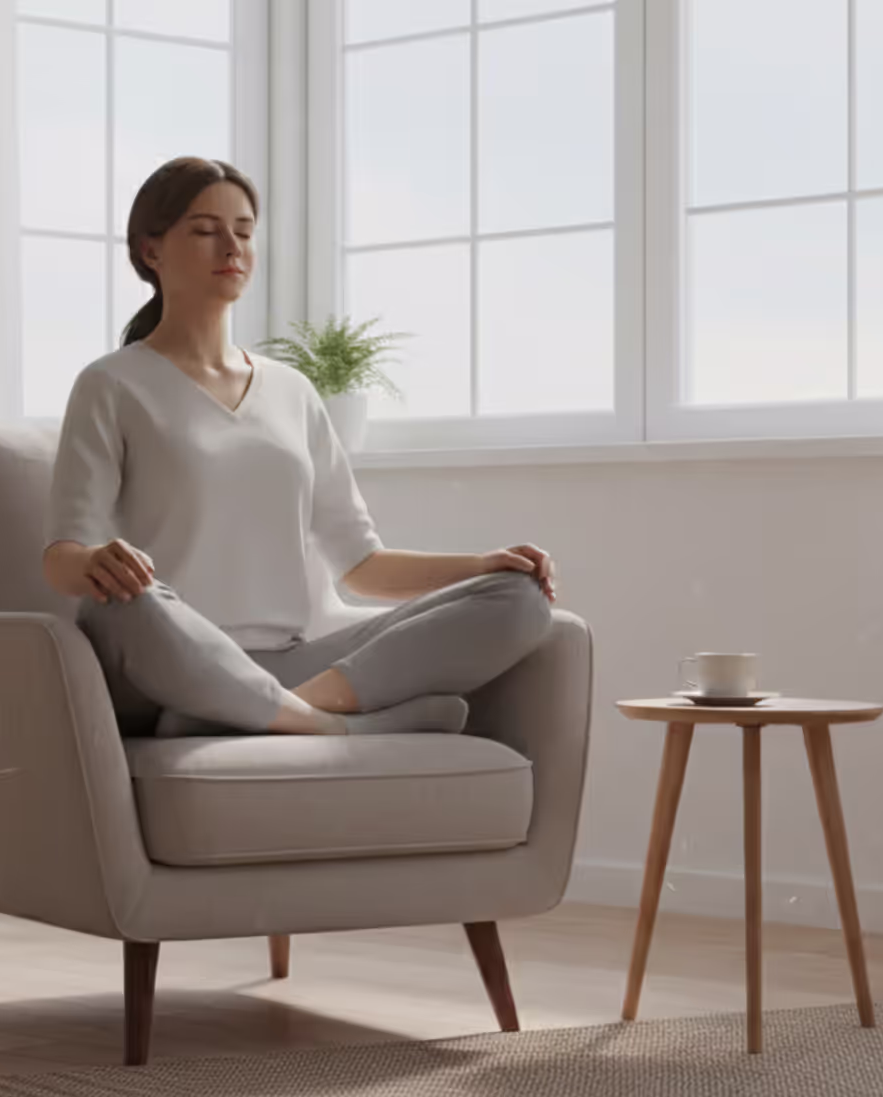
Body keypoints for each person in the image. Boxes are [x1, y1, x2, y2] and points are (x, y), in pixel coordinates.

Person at [41, 157, 559, 738]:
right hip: (167, 657)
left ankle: (264, 711)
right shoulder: (111, 384)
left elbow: (362, 567)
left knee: (519, 601)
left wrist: (481, 565)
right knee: (127, 603)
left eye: (243, 231)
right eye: (206, 231)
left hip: (286, 659)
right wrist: (95, 561)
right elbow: (62, 560)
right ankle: (323, 726)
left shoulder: (292, 390)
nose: (231, 248)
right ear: (150, 250)